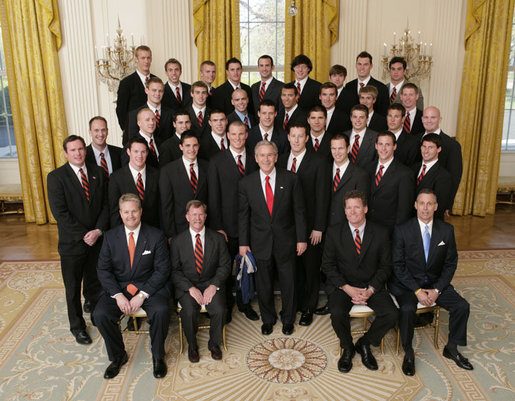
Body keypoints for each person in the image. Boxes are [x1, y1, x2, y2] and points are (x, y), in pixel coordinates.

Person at [390, 189, 473, 376]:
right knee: (407, 309)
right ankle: (408, 352)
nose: (425, 208)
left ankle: (452, 348)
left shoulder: (446, 230)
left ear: (436, 207)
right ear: (415, 205)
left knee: (462, 306)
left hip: (436, 283)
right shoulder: (402, 230)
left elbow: (451, 264)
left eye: (429, 204)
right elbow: (398, 266)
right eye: (422, 203)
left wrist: (437, 289)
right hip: (408, 284)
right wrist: (417, 290)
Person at [94, 194, 170, 379]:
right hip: (119, 288)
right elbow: (103, 270)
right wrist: (118, 295)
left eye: (134, 211)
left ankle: (158, 357)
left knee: (161, 310)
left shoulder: (156, 235)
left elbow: (162, 270)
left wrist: (142, 295)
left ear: (141, 211)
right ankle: (118, 356)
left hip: (148, 287)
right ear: (120, 213)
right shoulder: (110, 237)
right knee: (100, 314)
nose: (130, 216)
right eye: (126, 212)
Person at [322, 190, 398, 373]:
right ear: (345, 210)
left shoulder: (380, 232)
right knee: (337, 312)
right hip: (344, 285)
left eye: (357, 207)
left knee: (392, 314)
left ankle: (364, 343)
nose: (352, 211)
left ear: (365, 208)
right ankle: (347, 347)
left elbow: (386, 266)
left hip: (370, 285)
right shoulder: (334, 232)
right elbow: (327, 265)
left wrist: (371, 289)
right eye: (348, 207)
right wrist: (347, 288)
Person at [239, 140, 307, 336]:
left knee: (288, 283)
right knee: (264, 284)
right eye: (262, 155)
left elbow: (299, 211)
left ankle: (288, 320)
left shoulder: (291, 179)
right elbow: (243, 216)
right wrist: (243, 243)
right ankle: (268, 319)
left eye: (270, 155)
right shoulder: (246, 183)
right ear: (256, 158)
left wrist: (301, 239)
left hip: (286, 241)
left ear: (276, 157)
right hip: (260, 243)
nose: (266, 159)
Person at [47, 135, 108, 344]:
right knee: (73, 288)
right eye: (73, 150)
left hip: (96, 241)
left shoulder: (98, 172)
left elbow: (106, 206)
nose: (78, 153)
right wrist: (85, 235)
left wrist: (98, 231)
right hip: (72, 244)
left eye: (81, 149)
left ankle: (97, 317)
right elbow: (60, 214)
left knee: (95, 283)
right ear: (66, 153)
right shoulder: (56, 177)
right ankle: (77, 327)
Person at [277, 122, 329, 326]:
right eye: (293, 136)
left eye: (301, 136)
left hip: (310, 228)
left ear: (307, 138)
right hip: (285, 228)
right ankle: (294, 304)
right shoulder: (280, 160)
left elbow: (323, 196)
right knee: (292, 270)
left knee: (310, 270)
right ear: (288, 137)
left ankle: (308, 308)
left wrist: (319, 227)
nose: (297, 140)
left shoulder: (319, 161)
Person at [208, 121, 260, 323]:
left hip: (253, 224)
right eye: (234, 134)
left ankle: (245, 303)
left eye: (241, 134)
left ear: (246, 135)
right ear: (227, 135)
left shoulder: (256, 158)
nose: (238, 138)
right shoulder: (217, 161)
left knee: (248, 267)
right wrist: (218, 226)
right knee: (226, 268)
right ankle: (227, 305)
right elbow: (213, 197)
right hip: (227, 227)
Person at [314, 134, 369, 316]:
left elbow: (358, 207)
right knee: (328, 266)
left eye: (340, 148)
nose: (337, 152)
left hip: (347, 229)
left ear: (348, 148)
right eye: (333, 148)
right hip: (327, 228)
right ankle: (333, 301)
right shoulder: (324, 169)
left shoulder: (359, 174)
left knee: (345, 266)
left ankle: (346, 302)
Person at [171, 200, 231, 363]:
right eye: (194, 214)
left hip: (211, 282)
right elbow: (174, 271)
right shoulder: (177, 241)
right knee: (189, 312)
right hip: (188, 286)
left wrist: (214, 285)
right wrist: (190, 288)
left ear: (205, 216)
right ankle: (192, 345)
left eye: (200, 214)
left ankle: (213, 344)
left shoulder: (217, 238)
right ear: (187, 217)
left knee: (219, 309)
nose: (197, 218)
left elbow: (225, 265)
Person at [160, 131, 208, 239]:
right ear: (181, 147)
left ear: (199, 146)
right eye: (187, 145)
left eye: (195, 145)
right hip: (179, 230)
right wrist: (170, 234)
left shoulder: (208, 167)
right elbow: (166, 206)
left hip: (205, 227)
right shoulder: (168, 171)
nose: (191, 149)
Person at [365, 131, 415, 232]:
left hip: (389, 230)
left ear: (394, 146)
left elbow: (404, 210)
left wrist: (398, 233)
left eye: (387, 145)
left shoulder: (405, 173)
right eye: (380, 144)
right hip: (367, 227)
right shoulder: (367, 168)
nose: (383, 148)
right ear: (376, 146)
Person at [108, 136, 160, 228]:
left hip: (154, 232)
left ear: (147, 153)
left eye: (143, 152)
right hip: (128, 234)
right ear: (128, 152)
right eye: (136, 151)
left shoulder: (157, 175)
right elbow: (115, 212)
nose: (139, 156)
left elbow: (162, 207)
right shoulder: (116, 178)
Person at [420, 106, 463, 212]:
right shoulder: (414, 140)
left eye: (433, 117)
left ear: (440, 120)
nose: (429, 121)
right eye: (426, 117)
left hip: (437, 202)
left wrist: (448, 205)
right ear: (422, 119)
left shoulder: (452, 145)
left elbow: (455, 176)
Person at [116, 45, 155, 144]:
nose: (146, 61)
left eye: (148, 58)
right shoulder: (126, 82)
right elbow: (121, 109)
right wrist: (126, 128)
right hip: (133, 131)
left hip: (154, 131)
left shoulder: (156, 80)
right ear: (136, 59)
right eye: (143, 58)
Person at [412, 134, 452, 219]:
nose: (426, 151)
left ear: (439, 149)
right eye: (424, 146)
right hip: (409, 221)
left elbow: (439, 207)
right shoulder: (413, 168)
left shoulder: (444, 175)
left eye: (430, 147)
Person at [127, 77, 174, 145]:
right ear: (146, 90)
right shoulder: (134, 114)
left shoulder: (171, 113)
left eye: (160, 91)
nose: (157, 94)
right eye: (154, 90)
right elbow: (132, 142)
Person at [344, 51, 389, 115]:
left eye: (365, 64)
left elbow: (384, 113)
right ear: (356, 65)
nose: (362, 68)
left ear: (371, 66)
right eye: (359, 64)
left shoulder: (381, 88)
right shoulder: (349, 86)